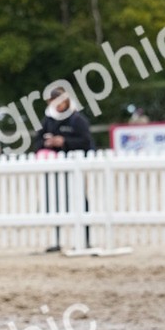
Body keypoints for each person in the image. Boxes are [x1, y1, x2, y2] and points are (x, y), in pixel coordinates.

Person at [34, 86, 94, 251]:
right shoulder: (47, 120)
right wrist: (47, 143)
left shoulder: (77, 119)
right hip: (54, 170)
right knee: (54, 204)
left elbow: (86, 141)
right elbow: (36, 142)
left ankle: (85, 240)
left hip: (75, 168)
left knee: (80, 202)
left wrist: (64, 142)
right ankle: (56, 240)